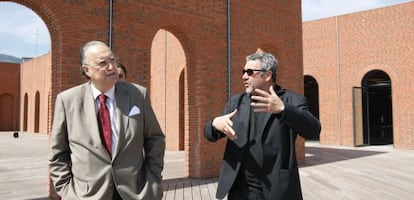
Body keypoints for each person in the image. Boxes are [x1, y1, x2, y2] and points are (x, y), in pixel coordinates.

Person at [48, 40, 165, 200]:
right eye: (103, 63)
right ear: (86, 70)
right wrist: (67, 191)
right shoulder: (67, 100)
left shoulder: (138, 94)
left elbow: (155, 139)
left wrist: (153, 180)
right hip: (87, 194)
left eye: (113, 60)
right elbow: (58, 153)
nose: (111, 67)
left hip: (135, 191)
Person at [204, 52, 321, 200]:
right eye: (243, 72)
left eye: (250, 72)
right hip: (240, 190)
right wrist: (214, 124)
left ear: (267, 75)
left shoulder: (290, 100)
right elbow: (209, 134)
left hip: (277, 190)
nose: (244, 76)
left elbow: (313, 129)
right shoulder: (236, 102)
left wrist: (283, 109)